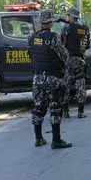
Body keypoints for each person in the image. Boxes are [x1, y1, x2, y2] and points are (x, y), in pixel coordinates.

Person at [29, 10, 72, 149]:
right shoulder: (54, 37)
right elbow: (64, 55)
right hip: (53, 77)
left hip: (37, 78)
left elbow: (32, 54)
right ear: (51, 23)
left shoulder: (32, 37)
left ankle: (38, 138)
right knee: (55, 107)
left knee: (38, 107)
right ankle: (56, 140)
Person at [60, 7, 91, 119]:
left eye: (68, 16)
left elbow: (61, 45)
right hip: (80, 61)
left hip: (68, 61)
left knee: (66, 86)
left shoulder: (65, 29)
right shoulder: (84, 29)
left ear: (71, 17)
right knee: (80, 86)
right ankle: (80, 112)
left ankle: (65, 112)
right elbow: (87, 46)